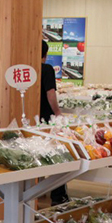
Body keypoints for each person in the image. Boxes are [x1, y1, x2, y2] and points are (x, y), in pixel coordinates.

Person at [40, 40, 68, 205]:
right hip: (46, 121)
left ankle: (36, 193)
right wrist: (58, 112)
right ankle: (58, 197)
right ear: (45, 54)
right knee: (57, 156)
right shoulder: (47, 69)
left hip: (31, 121)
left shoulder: (29, 71)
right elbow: (50, 93)